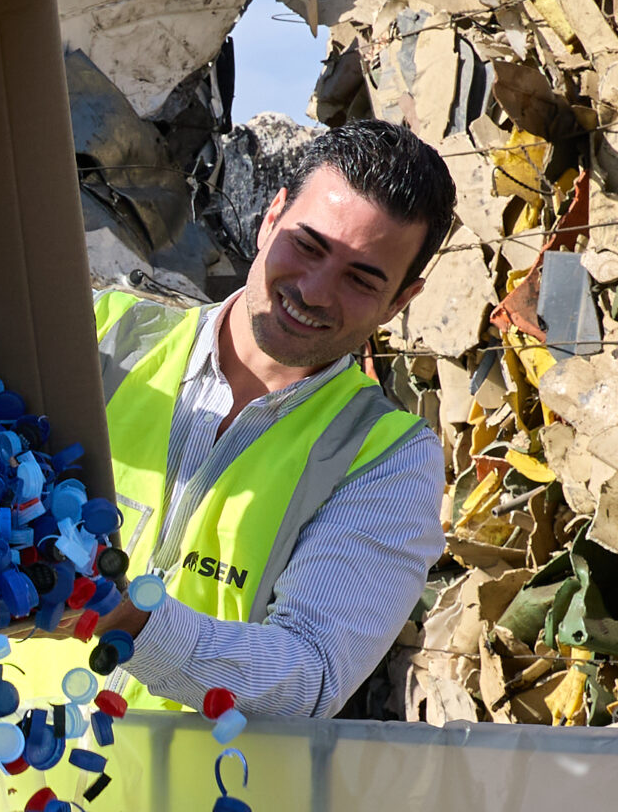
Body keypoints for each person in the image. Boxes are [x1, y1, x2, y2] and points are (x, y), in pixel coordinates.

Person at [87, 119, 456, 716]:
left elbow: (309, 677)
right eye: (308, 245)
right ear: (271, 218)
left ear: (400, 302)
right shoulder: (101, 335)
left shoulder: (387, 458)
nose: (313, 291)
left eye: (361, 279)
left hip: (188, 809)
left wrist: (129, 621)